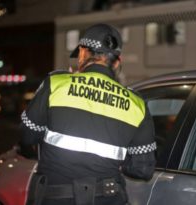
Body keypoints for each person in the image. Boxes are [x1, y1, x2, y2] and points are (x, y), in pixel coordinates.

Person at [20, 23, 157, 205]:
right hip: (108, 199)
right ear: (117, 62)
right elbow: (143, 169)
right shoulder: (136, 103)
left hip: (57, 197)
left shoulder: (56, 84)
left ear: (83, 53)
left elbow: (27, 136)